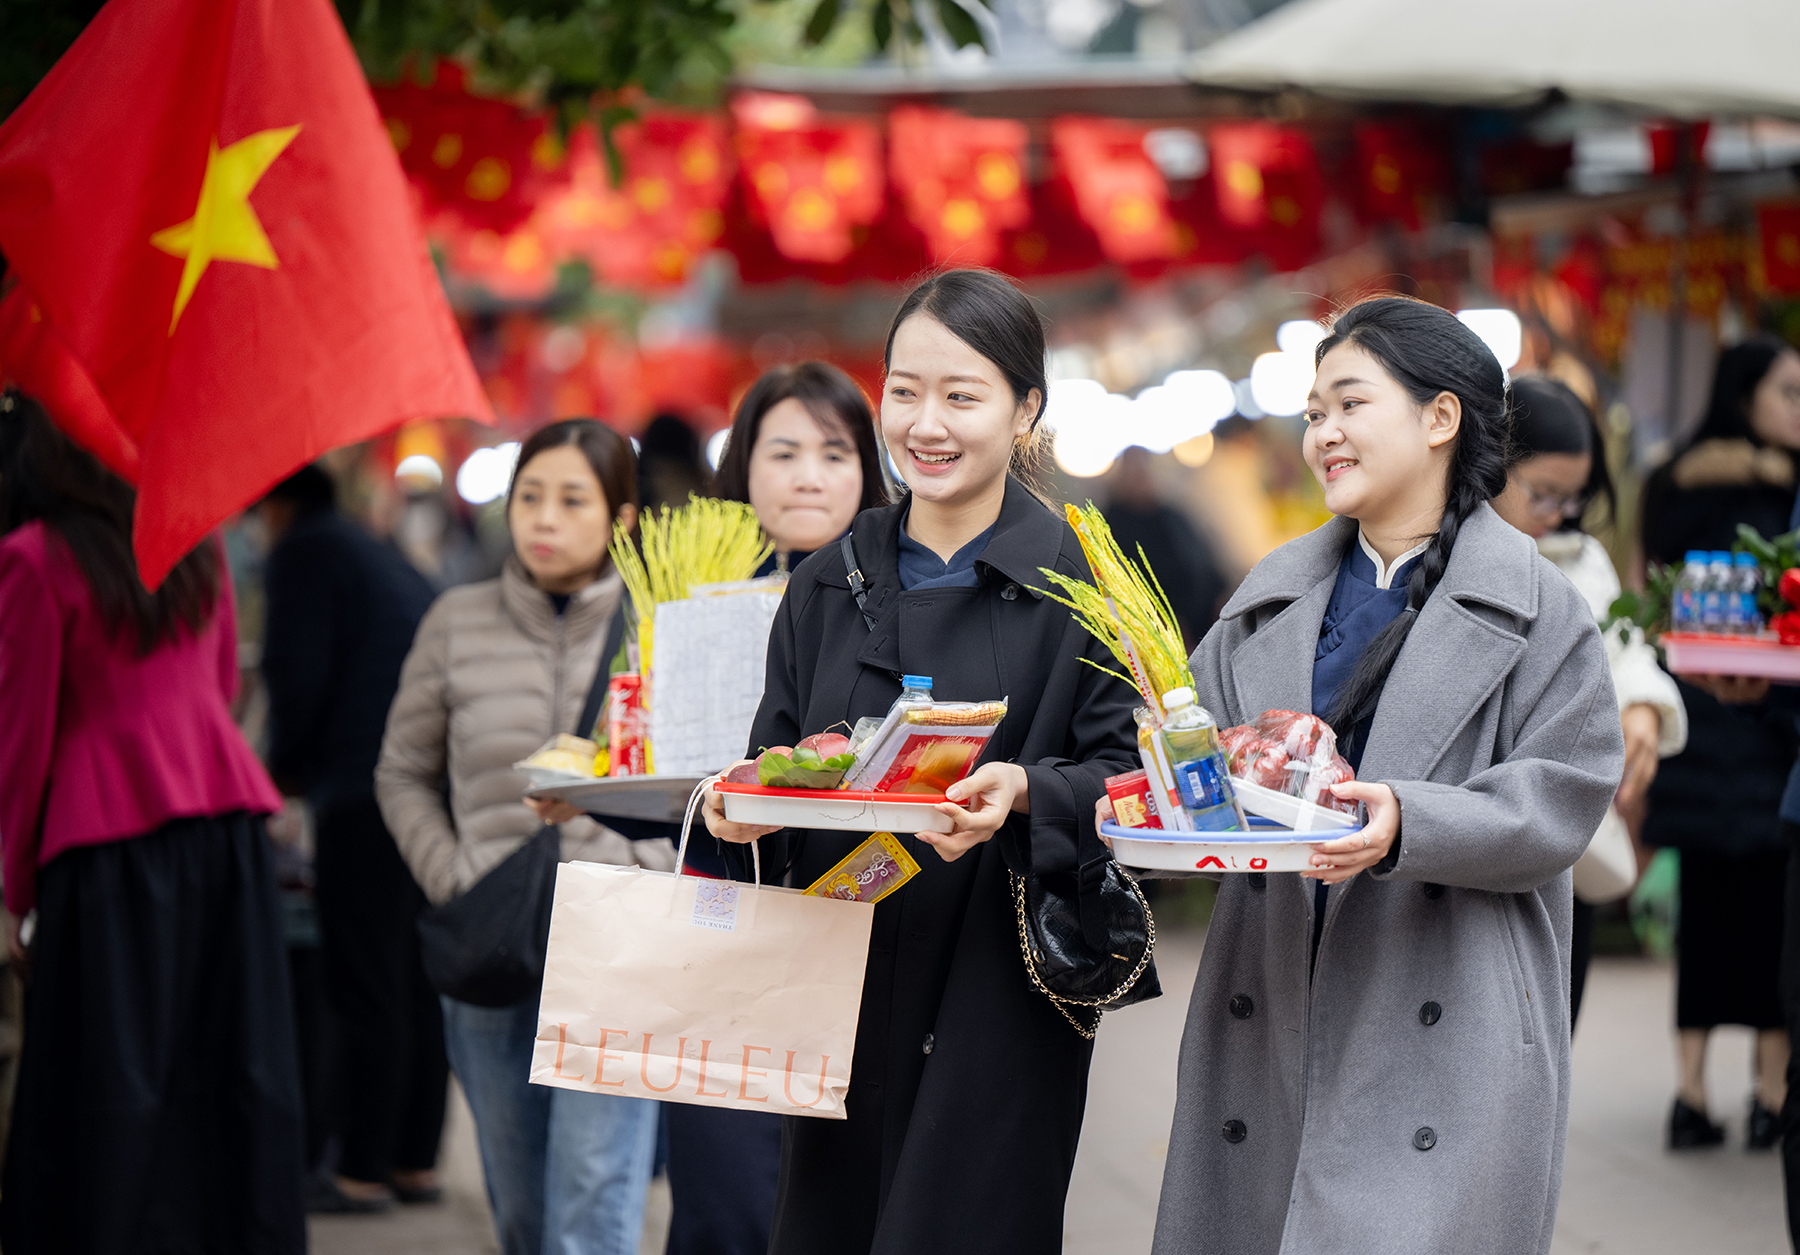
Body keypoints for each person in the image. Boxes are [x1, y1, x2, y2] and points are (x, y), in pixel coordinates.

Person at [1137, 297, 1623, 1255]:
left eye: (1349, 405)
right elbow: (1198, 755)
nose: (1323, 434)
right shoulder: (1264, 601)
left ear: (1441, 419)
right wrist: (1165, 765)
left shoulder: (1541, 608)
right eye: (1314, 413)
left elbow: (1566, 790)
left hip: (1449, 995)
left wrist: (1410, 820)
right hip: (1274, 979)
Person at [699, 269, 1142, 1254]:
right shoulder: (827, 581)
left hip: (1004, 986)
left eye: (962, 394)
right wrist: (744, 810)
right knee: (832, 1224)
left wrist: (1027, 788)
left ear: (1026, 407)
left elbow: (1131, 781)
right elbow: (771, 758)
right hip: (840, 977)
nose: (926, 422)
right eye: (905, 390)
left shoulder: (1083, 582)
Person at [0, 392, 305, 1253]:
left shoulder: (31, 559)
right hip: (225, 827)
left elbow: (21, 746)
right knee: (234, 1064)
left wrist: (20, 892)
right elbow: (217, 687)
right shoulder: (195, 538)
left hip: (102, 845)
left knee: (110, 1083)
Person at [377, 419, 676, 1255]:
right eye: (530, 497)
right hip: (490, 937)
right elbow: (400, 771)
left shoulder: (663, 627)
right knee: (517, 1200)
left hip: (618, 942)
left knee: (594, 1197)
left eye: (571, 499)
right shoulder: (455, 621)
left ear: (621, 517)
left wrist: (648, 864)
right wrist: (453, 875)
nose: (543, 517)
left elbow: (700, 784)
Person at [650, 360, 890, 1255]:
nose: (807, 474)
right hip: (722, 927)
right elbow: (645, 768)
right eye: (782, 451)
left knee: (838, 1195)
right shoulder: (684, 600)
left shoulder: (910, 596)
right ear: (742, 468)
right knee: (725, 1198)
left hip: (866, 915)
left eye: (833, 452)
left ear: (868, 469)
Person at [256, 463, 449, 1212]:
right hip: (425, 778)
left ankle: (360, 1167)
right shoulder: (371, 546)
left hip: (367, 784)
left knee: (364, 978)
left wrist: (285, 772)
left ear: (277, 504)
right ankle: (414, 1160)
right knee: (409, 974)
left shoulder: (303, 551)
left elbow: (297, 674)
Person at [1640, 336, 1800, 1150]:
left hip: (1695, 723)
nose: (1797, 409)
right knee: (1773, 920)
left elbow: (1657, 597)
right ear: (1748, 397)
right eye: (1789, 391)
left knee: (1706, 916)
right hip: (1768, 722)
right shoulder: (1787, 492)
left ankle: (1690, 1094)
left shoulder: (1670, 484)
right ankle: (1772, 1091)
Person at [1490, 377, 1686, 1026]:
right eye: (1540, 492)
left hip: (1571, 830)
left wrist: (1644, 707)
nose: (1557, 512)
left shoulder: (1585, 560)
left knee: (1553, 1014)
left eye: (1571, 498)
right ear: (1487, 463)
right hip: (1483, 825)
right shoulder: (1450, 558)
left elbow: (1625, 654)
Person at [1104, 445, 1230, 649]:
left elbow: (1206, 561)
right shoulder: (1113, 526)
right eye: (1134, 470)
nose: (1141, 476)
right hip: (1161, 633)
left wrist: (1221, 600)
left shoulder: (1172, 514)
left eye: (1144, 468)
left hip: (1207, 620)